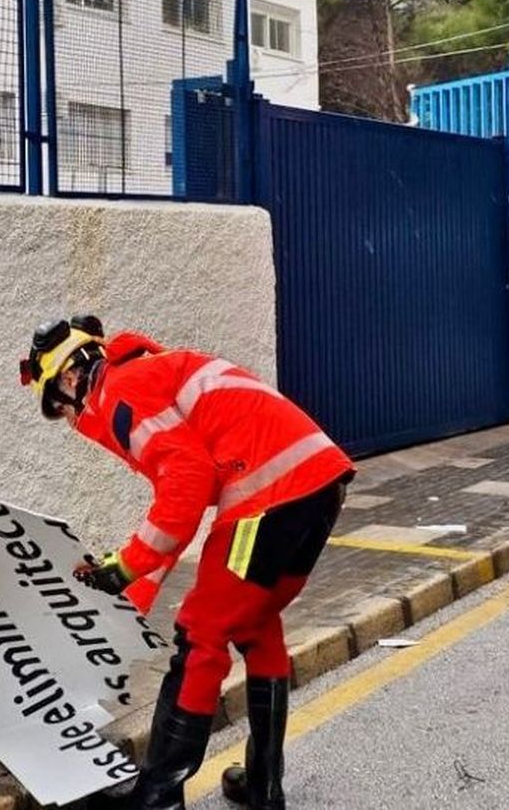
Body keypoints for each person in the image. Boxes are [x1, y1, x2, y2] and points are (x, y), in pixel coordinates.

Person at [19, 315, 354, 810]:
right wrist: (127, 595)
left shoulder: (120, 391)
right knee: (257, 626)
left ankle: (157, 798)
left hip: (268, 493)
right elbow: (178, 511)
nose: (69, 422)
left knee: (201, 634)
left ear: (70, 379)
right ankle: (264, 788)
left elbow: (187, 482)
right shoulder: (149, 374)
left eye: (59, 407)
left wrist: (129, 564)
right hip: (315, 484)